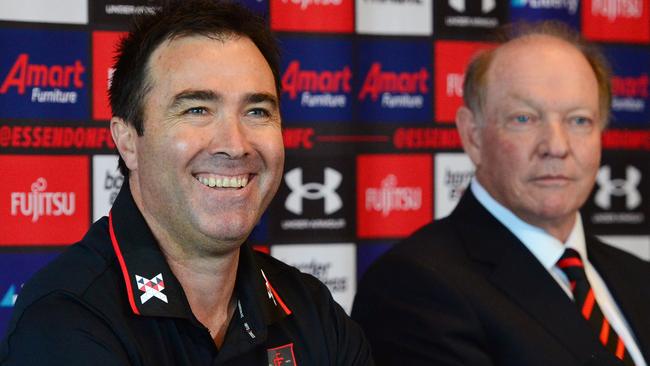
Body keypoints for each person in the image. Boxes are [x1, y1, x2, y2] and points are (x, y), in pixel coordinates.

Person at [0, 1, 373, 365]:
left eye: (257, 111)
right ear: (128, 141)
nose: (235, 145)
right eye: (197, 109)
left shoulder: (312, 310)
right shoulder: (66, 320)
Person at [352, 21, 650, 366]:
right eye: (524, 119)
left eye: (579, 120)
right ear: (473, 136)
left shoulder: (638, 277)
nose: (556, 146)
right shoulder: (412, 287)